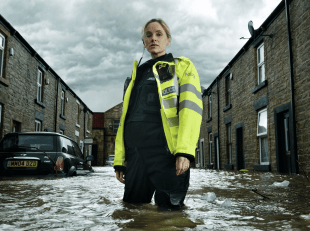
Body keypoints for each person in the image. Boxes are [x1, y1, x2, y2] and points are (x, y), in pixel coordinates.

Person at [114, 18, 202, 208]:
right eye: (148, 35)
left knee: (170, 215)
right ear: (144, 42)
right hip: (136, 155)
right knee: (131, 212)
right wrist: (120, 160)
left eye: (159, 34)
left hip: (166, 155)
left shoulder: (182, 67)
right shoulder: (135, 76)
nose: (153, 38)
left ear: (168, 39)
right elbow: (125, 120)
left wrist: (184, 152)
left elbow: (191, 111)